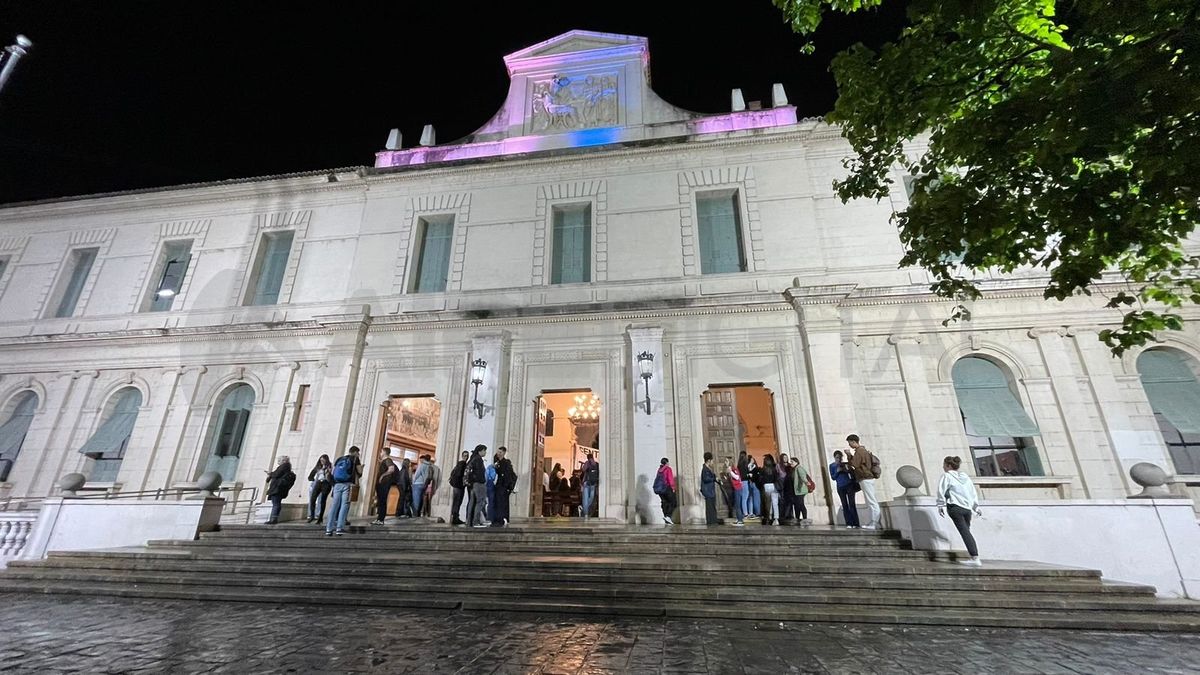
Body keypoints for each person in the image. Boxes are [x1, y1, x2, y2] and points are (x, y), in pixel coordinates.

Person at [937, 455, 982, 566]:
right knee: (967, 531)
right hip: (967, 509)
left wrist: (940, 505)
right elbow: (972, 493)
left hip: (955, 507)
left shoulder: (947, 476)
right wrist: (976, 507)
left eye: (944, 465)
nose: (943, 467)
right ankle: (974, 556)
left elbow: (941, 491)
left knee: (965, 532)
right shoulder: (965, 477)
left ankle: (975, 557)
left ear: (948, 465)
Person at [325, 446, 362, 536]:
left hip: (337, 484)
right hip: (348, 484)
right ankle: (339, 528)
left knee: (334, 506)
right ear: (356, 452)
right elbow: (360, 472)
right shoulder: (355, 459)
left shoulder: (340, 459)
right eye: (358, 453)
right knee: (344, 505)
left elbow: (333, 472)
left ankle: (328, 529)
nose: (358, 454)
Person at [847, 434, 881, 529]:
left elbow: (854, 464)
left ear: (853, 442)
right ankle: (873, 522)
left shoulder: (860, 451)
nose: (849, 445)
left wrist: (849, 455)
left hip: (865, 478)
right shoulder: (862, 451)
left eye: (850, 442)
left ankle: (875, 523)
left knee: (871, 501)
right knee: (870, 500)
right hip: (866, 478)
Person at [829, 450, 860, 528]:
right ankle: (849, 523)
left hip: (849, 485)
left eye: (840, 457)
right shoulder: (832, 466)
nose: (839, 459)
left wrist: (847, 469)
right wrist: (837, 471)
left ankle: (856, 523)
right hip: (840, 487)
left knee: (852, 504)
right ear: (834, 457)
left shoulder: (845, 464)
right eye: (837, 458)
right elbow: (833, 477)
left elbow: (852, 473)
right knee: (844, 504)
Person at [263, 455, 295, 525]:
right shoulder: (286, 467)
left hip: (277, 488)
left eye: (279, 460)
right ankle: (273, 518)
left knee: (276, 504)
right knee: (276, 503)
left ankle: (273, 519)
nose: (278, 462)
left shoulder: (284, 467)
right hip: (279, 488)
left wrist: (270, 474)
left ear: (283, 461)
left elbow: (276, 474)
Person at [492, 446, 517, 527]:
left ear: (504, 453)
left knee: (502, 503)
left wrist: (508, 487)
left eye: (500, 452)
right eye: (498, 452)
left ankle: (502, 519)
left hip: (503, 487)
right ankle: (498, 519)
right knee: (498, 503)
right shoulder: (497, 463)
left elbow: (509, 475)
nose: (498, 454)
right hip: (498, 486)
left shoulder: (506, 463)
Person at [465, 444, 488, 528]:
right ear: (480, 451)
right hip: (479, 483)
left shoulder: (472, 458)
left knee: (472, 502)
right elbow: (479, 473)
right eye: (484, 450)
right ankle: (476, 521)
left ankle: (469, 521)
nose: (485, 452)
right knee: (480, 502)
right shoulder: (478, 459)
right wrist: (482, 480)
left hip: (472, 484)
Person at [305, 454, 332, 524]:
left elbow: (332, 477)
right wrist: (313, 480)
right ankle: (312, 516)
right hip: (318, 483)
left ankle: (320, 518)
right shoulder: (317, 467)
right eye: (321, 460)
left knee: (323, 501)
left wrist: (328, 473)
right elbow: (310, 476)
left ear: (326, 460)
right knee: (312, 499)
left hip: (326, 483)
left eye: (323, 460)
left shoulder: (330, 466)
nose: (322, 462)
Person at [373, 453, 398, 525]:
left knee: (382, 501)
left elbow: (391, 469)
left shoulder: (388, 460)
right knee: (380, 501)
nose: (380, 453)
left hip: (384, 483)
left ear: (384, 452)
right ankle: (379, 519)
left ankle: (380, 519)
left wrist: (382, 476)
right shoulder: (384, 461)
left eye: (381, 452)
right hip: (382, 484)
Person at [654, 457, 677, 524]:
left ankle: (666, 517)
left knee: (664, 502)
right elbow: (670, 479)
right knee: (673, 501)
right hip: (667, 488)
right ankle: (668, 516)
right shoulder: (668, 469)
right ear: (667, 462)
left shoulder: (659, 469)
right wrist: (673, 488)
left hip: (660, 489)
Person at [448, 450, 469, 525]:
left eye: (467, 455)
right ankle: (455, 518)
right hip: (459, 486)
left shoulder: (459, 464)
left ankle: (455, 517)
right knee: (457, 502)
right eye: (465, 455)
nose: (466, 457)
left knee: (456, 502)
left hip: (456, 486)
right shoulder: (462, 464)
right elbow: (460, 475)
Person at [759, 454, 780, 525]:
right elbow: (777, 478)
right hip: (773, 486)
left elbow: (760, 480)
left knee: (768, 503)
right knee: (775, 503)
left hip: (766, 486)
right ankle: (776, 519)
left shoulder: (762, 470)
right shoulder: (774, 470)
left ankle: (769, 517)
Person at [790, 456, 811, 524]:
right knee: (797, 504)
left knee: (801, 504)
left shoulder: (799, 468)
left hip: (801, 490)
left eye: (792, 462)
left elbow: (802, 477)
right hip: (797, 490)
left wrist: (806, 482)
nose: (791, 463)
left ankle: (805, 518)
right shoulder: (795, 469)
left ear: (796, 462)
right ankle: (797, 518)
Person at [700, 451, 718, 525]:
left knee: (712, 507)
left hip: (710, 491)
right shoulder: (705, 469)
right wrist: (714, 478)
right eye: (712, 460)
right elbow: (706, 479)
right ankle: (711, 522)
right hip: (708, 492)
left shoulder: (708, 469)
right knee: (710, 508)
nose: (713, 462)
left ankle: (713, 521)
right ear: (709, 460)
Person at [727, 458, 746, 526]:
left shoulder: (734, 469)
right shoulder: (732, 469)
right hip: (736, 488)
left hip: (738, 488)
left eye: (726, 461)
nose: (725, 463)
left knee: (738, 505)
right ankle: (739, 518)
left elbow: (737, 477)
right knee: (736, 504)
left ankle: (740, 520)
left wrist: (730, 472)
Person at [581, 451, 599, 519]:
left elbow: (583, 470)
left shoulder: (587, 463)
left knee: (585, 498)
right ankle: (587, 509)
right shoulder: (596, 464)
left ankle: (585, 512)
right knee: (591, 498)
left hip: (587, 482)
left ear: (587, 457)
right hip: (593, 483)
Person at [744, 454, 762, 518]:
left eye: (753, 459)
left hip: (755, 483)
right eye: (751, 459)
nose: (752, 460)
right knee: (750, 498)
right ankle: (751, 512)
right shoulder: (747, 467)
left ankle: (757, 512)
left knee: (756, 498)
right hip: (749, 483)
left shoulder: (756, 467)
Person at [485, 455, 498, 522]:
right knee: (491, 502)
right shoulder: (491, 467)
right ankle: (490, 517)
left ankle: (491, 517)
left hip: (490, 484)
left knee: (491, 502)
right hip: (491, 484)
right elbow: (489, 477)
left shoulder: (489, 467)